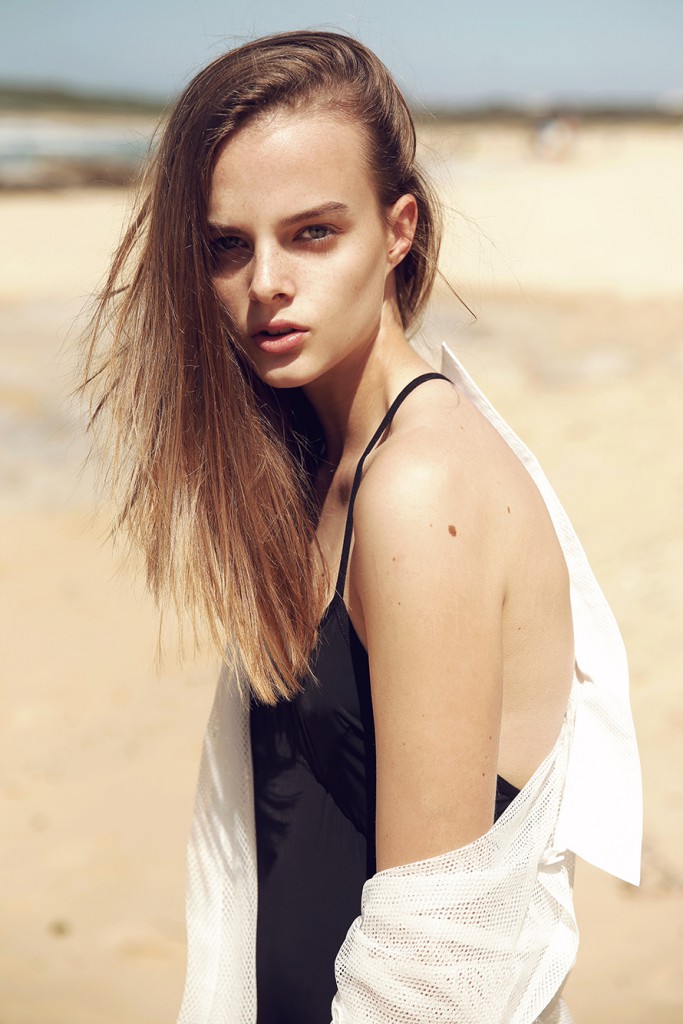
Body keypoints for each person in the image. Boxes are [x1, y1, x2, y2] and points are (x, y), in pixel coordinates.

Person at [81, 30, 642, 1024]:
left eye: (311, 233)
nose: (264, 282)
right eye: (226, 246)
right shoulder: (321, 456)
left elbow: (432, 960)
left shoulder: (420, 487)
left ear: (396, 230)